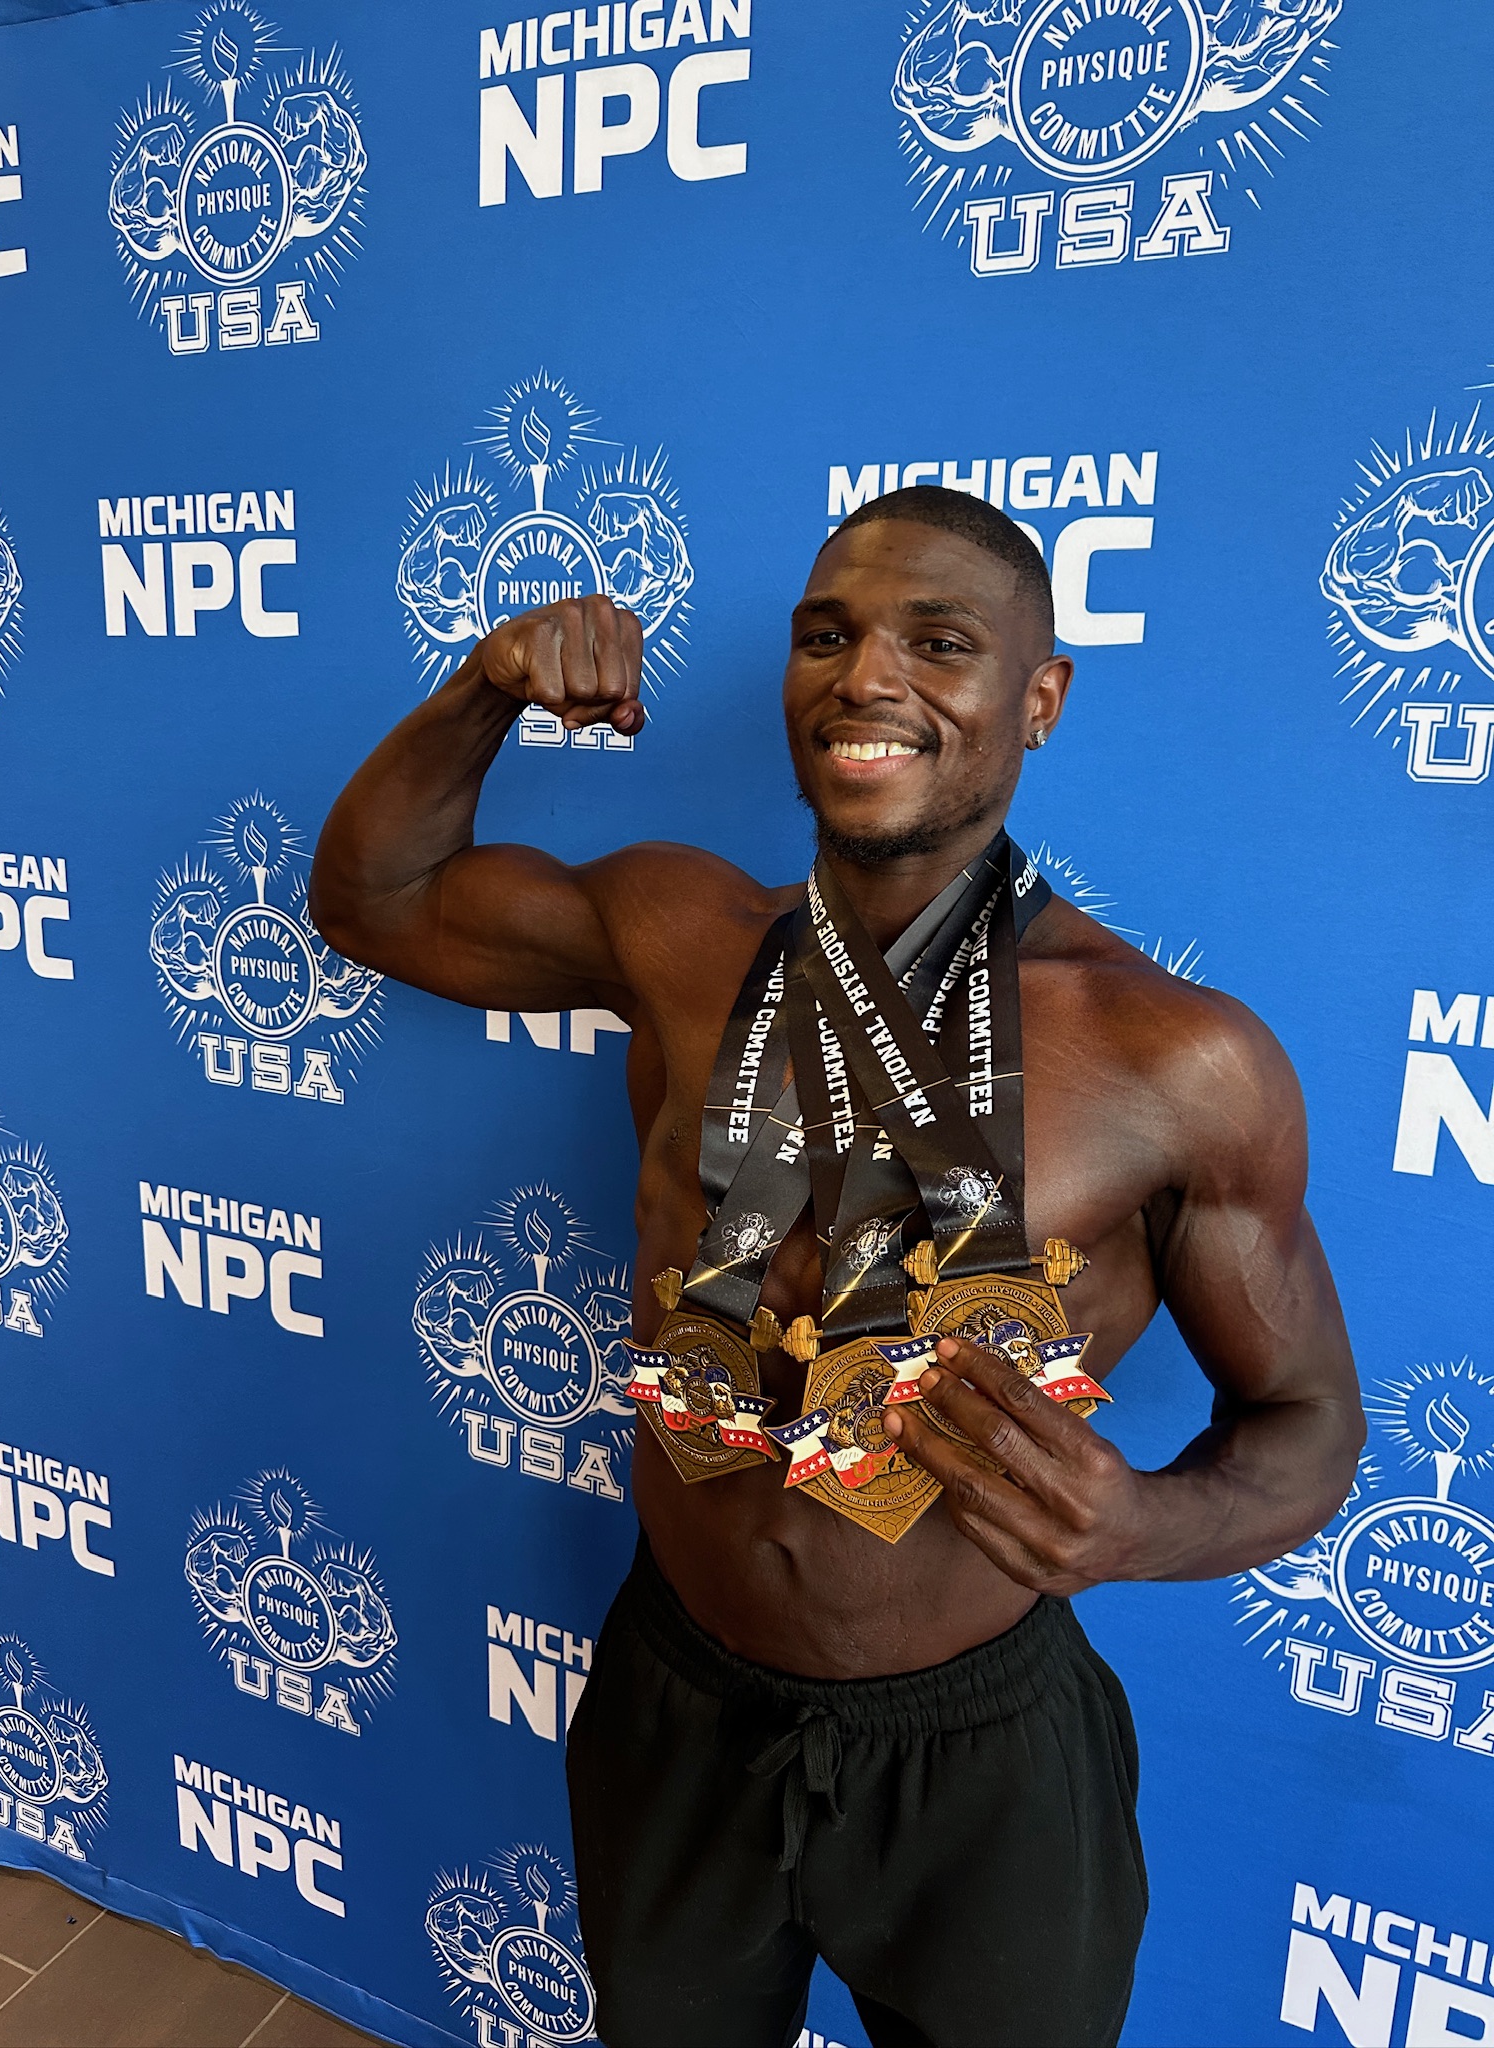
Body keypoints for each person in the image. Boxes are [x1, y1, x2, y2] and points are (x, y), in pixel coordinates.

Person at [311, 486, 1362, 2048]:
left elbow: (1308, 1423)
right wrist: (483, 691)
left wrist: (1145, 1523)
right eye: (830, 637)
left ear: (1039, 698)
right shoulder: (676, 928)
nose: (867, 677)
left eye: (940, 643)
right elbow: (373, 901)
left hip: (981, 1751)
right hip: (679, 1695)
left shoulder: (1177, 1062)